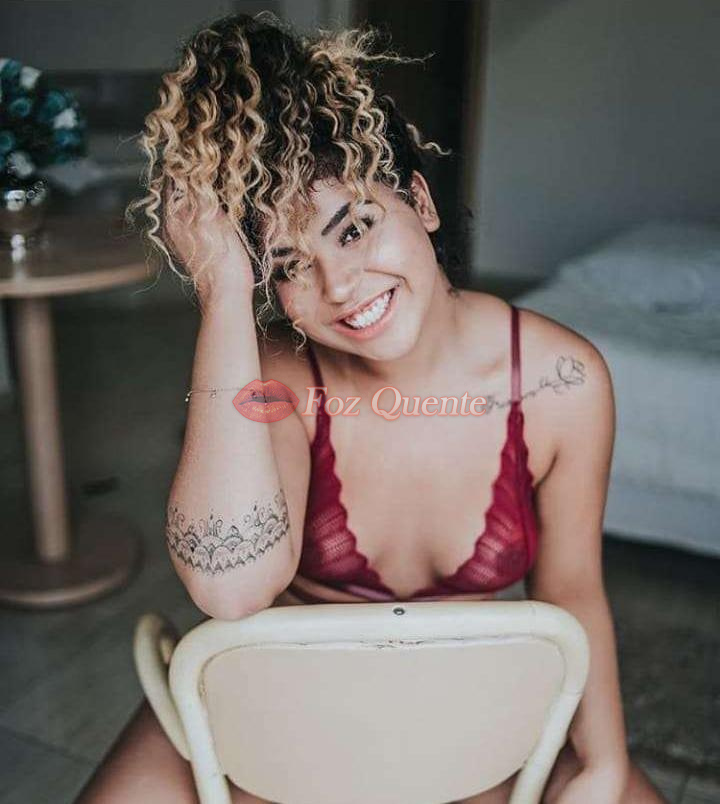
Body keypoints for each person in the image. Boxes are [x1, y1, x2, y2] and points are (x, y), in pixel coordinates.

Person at [75, 11, 667, 804]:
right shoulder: (277, 375)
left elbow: (572, 591)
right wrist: (223, 294)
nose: (340, 287)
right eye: (290, 265)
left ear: (419, 200)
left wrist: (602, 765)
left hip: (468, 721)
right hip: (280, 717)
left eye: (353, 229)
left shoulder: (561, 381)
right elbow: (229, 590)